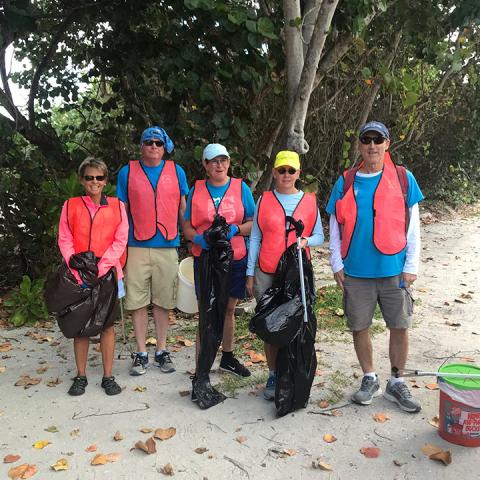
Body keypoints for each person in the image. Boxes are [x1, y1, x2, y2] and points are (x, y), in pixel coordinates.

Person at [326, 121, 424, 413]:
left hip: (394, 270)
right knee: (360, 326)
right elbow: (334, 224)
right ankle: (370, 378)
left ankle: (396, 381)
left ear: (386, 144)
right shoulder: (346, 181)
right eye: (366, 140)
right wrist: (335, 263)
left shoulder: (404, 179)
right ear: (359, 145)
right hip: (356, 271)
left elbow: (413, 226)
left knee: (399, 325)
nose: (371, 145)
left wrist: (411, 265)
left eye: (377, 139)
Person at [246, 150, 324, 400]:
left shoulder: (310, 201)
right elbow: (256, 236)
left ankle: (291, 372)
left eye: (291, 170)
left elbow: (320, 236)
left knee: (296, 323)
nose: (286, 175)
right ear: (274, 173)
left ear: (299, 173)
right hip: (268, 271)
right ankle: (272, 373)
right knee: (271, 325)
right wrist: (250, 272)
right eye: (282, 170)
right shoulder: (264, 200)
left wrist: (305, 241)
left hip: (297, 272)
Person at [117, 126, 188, 375]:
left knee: (163, 300)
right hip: (136, 245)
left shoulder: (176, 171)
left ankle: (161, 350)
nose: (154, 147)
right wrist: (119, 247)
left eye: (158, 143)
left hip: (167, 245)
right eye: (149, 142)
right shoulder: (127, 172)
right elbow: (121, 211)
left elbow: (183, 208)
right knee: (137, 301)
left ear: (164, 146)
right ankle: (140, 352)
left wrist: (189, 236)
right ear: (141, 146)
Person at [58, 157, 128, 396]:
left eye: (99, 177)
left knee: (107, 326)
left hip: (107, 273)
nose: (94, 182)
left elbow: (121, 240)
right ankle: (81, 375)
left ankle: (108, 376)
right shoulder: (70, 205)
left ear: (105, 180)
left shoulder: (118, 206)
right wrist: (76, 267)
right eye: (89, 177)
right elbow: (65, 238)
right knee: (81, 326)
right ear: (82, 180)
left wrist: (101, 267)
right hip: (78, 274)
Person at [184, 143, 255, 378]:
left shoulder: (240, 187)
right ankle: (201, 367)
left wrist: (236, 230)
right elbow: (186, 225)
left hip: (233, 256)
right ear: (205, 165)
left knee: (228, 309)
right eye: (213, 161)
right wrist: (197, 238)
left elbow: (254, 221)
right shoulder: (197, 190)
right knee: (207, 310)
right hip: (205, 257)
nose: (219, 165)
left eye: (223, 160)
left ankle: (227, 356)